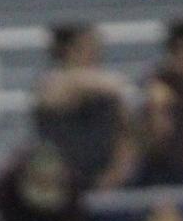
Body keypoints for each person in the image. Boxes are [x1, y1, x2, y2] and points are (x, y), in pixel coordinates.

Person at [33, 23, 136, 195]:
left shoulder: (109, 95)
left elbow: (127, 137)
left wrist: (114, 176)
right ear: (66, 50)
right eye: (86, 47)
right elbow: (69, 84)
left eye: (96, 47)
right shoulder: (50, 85)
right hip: (61, 188)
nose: (94, 53)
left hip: (107, 185)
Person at [139, 18, 183, 188]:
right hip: (168, 169)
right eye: (181, 52)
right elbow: (155, 139)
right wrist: (158, 111)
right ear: (172, 54)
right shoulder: (159, 83)